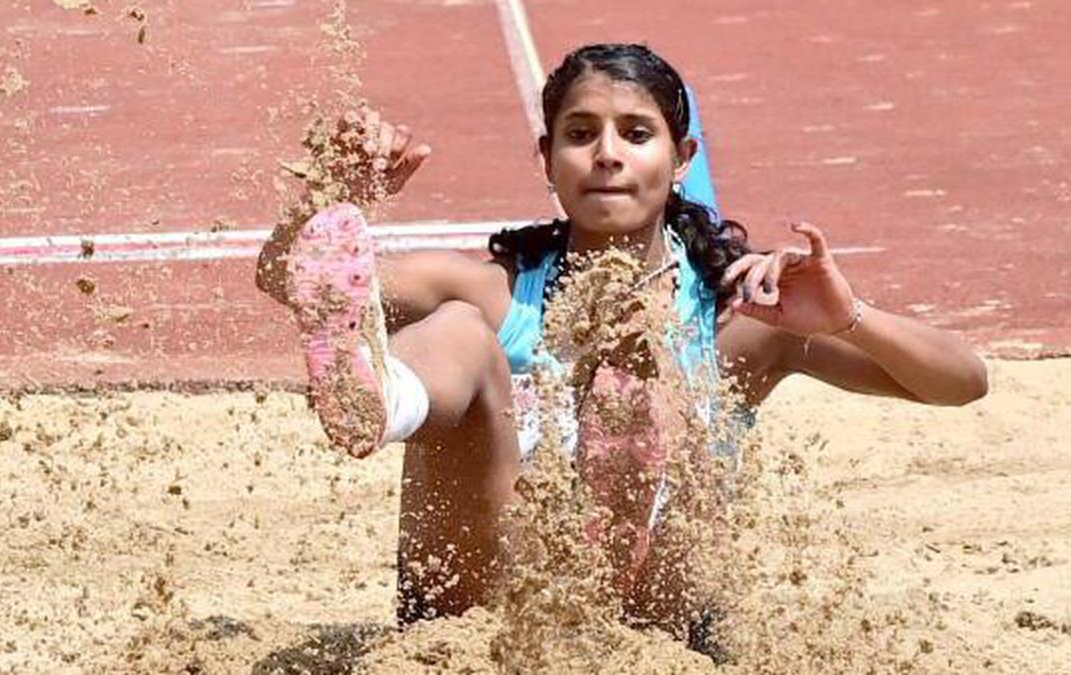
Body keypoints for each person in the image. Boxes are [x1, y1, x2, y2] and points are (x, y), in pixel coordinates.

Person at [256, 42, 987, 640]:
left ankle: (624, 486)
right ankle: (378, 399)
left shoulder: (745, 315)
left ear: (680, 156)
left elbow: (963, 381)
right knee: (458, 334)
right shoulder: (500, 289)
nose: (606, 154)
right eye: (580, 135)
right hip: (485, 619)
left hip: (653, 628)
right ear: (546, 159)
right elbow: (291, 278)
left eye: (636, 134)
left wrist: (845, 317)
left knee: (645, 376)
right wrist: (332, 202)